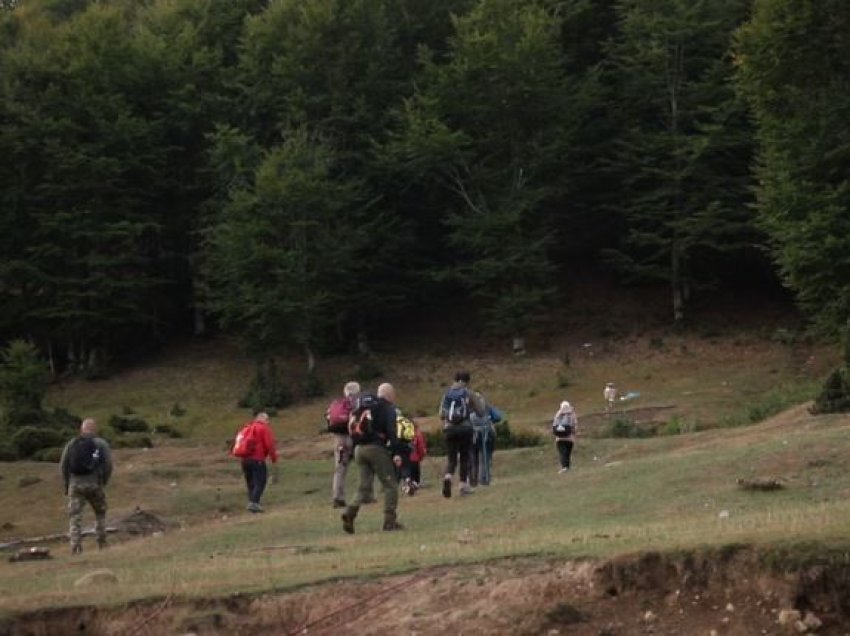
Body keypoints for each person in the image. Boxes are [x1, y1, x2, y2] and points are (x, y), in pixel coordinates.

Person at [341, 383, 405, 533]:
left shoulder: (364, 405)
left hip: (359, 449)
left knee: (364, 486)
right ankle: (389, 522)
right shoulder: (387, 408)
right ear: (390, 395)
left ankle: (350, 512)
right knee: (390, 484)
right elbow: (391, 431)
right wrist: (396, 452)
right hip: (376, 448)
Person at [59, 418, 113, 554]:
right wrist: (103, 481)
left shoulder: (72, 444)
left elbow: (63, 466)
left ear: (81, 429)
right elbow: (108, 465)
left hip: (75, 485)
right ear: (95, 429)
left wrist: (67, 485)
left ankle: (75, 546)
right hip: (94, 483)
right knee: (100, 512)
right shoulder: (101, 444)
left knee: (75, 516)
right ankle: (102, 542)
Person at [439, 371, 484, 498]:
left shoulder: (447, 394)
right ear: (467, 381)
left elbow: (441, 414)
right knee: (464, 457)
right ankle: (463, 485)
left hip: (449, 430)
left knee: (451, 458)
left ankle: (448, 477)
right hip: (465, 429)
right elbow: (480, 412)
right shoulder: (469, 393)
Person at [233, 412, 279, 513]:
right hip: (257, 459)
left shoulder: (247, 428)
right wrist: (274, 458)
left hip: (245, 460)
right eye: (267, 419)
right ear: (262, 419)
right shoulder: (263, 428)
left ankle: (252, 503)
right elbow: (269, 445)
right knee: (261, 481)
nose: (268, 422)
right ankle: (254, 503)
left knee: (251, 483)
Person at [326, 381, 360, 508]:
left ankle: (337, 497)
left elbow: (328, 418)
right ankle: (365, 494)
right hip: (353, 439)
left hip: (339, 440)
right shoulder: (357, 403)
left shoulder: (336, 404)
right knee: (364, 466)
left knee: (340, 468)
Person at [469, 394, 502, 487]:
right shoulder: (487, 407)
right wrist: (490, 420)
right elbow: (498, 416)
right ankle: (484, 479)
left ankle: (473, 481)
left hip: (472, 435)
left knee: (473, 458)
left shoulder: (468, 409)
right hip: (486, 434)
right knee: (485, 458)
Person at [552, 401, 578, 473]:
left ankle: (564, 467)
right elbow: (575, 425)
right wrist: (574, 433)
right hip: (570, 438)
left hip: (559, 438)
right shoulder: (572, 414)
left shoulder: (558, 413)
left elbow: (554, 425)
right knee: (567, 453)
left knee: (562, 453)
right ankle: (567, 467)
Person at [407, 421, 428, 495]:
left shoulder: (402, 434)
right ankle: (414, 485)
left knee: (408, 475)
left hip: (405, 459)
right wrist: (421, 456)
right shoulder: (417, 434)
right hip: (414, 459)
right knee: (416, 476)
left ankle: (409, 485)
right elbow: (421, 447)